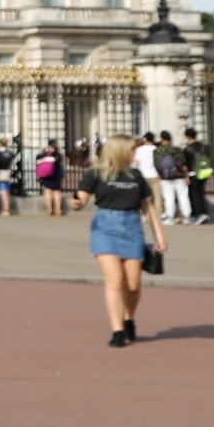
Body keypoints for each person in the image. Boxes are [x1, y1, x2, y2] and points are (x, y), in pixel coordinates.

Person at [74, 132, 166, 348]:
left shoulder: (135, 175)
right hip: (105, 227)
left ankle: (129, 319)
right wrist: (76, 203)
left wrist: (160, 236)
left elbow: (148, 207)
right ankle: (117, 330)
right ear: (120, 151)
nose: (135, 153)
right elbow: (82, 198)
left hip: (132, 226)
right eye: (132, 149)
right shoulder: (96, 174)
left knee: (133, 285)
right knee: (115, 281)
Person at [153, 131, 192, 225]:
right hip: (179, 176)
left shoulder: (158, 151)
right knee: (183, 196)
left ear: (161, 138)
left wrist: (160, 177)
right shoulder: (177, 149)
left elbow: (156, 165)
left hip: (165, 178)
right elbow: (183, 164)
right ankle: (187, 217)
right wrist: (186, 176)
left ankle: (170, 218)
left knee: (168, 198)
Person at [184, 133, 214, 224]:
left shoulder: (187, 149)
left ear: (188, 136)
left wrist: (186, 176)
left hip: (193, 173)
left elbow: (185, 163)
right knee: (201, 193)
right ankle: (204, 213)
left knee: (194, 194)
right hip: (204, 172)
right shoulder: (205, 146)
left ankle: (198, 214)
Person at [36, 139, 66, 215]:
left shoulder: (45, 154)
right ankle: (58, 210)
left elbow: (38, 159)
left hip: (47, 175)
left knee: (48, 192)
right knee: (57, 192)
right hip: (56, 175)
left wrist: (41, 152)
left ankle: (49, 210)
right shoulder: (58, 155)